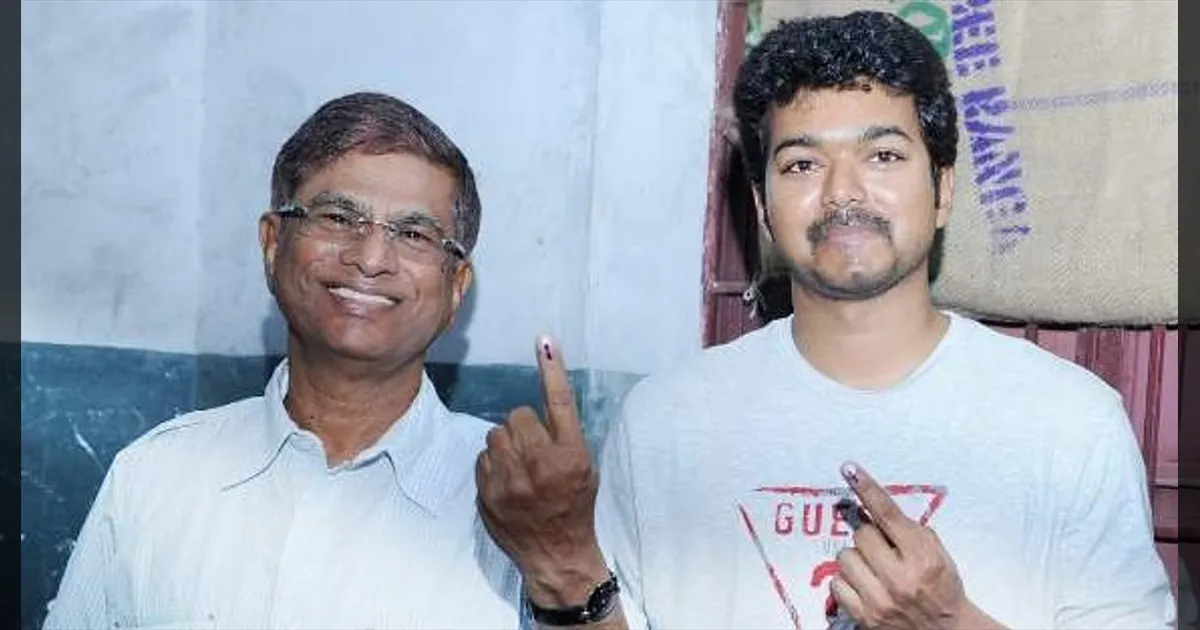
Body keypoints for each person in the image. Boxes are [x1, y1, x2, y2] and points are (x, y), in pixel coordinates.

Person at [476, 11, 1176, 630]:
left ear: (942, 190)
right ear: (763, 209)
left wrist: (950, 624)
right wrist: (563, 566)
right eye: (802, 163)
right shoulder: (666, 421)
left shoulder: (1069, 422)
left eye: (883, 155)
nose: (842, 192)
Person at [43, 92, 525, 629]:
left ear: (456, 286)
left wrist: (566, 566)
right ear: (273, 244)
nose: (369, 259)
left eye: (414, 234)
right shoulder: (155, 477)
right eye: (338, 217)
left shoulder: (521, 499)